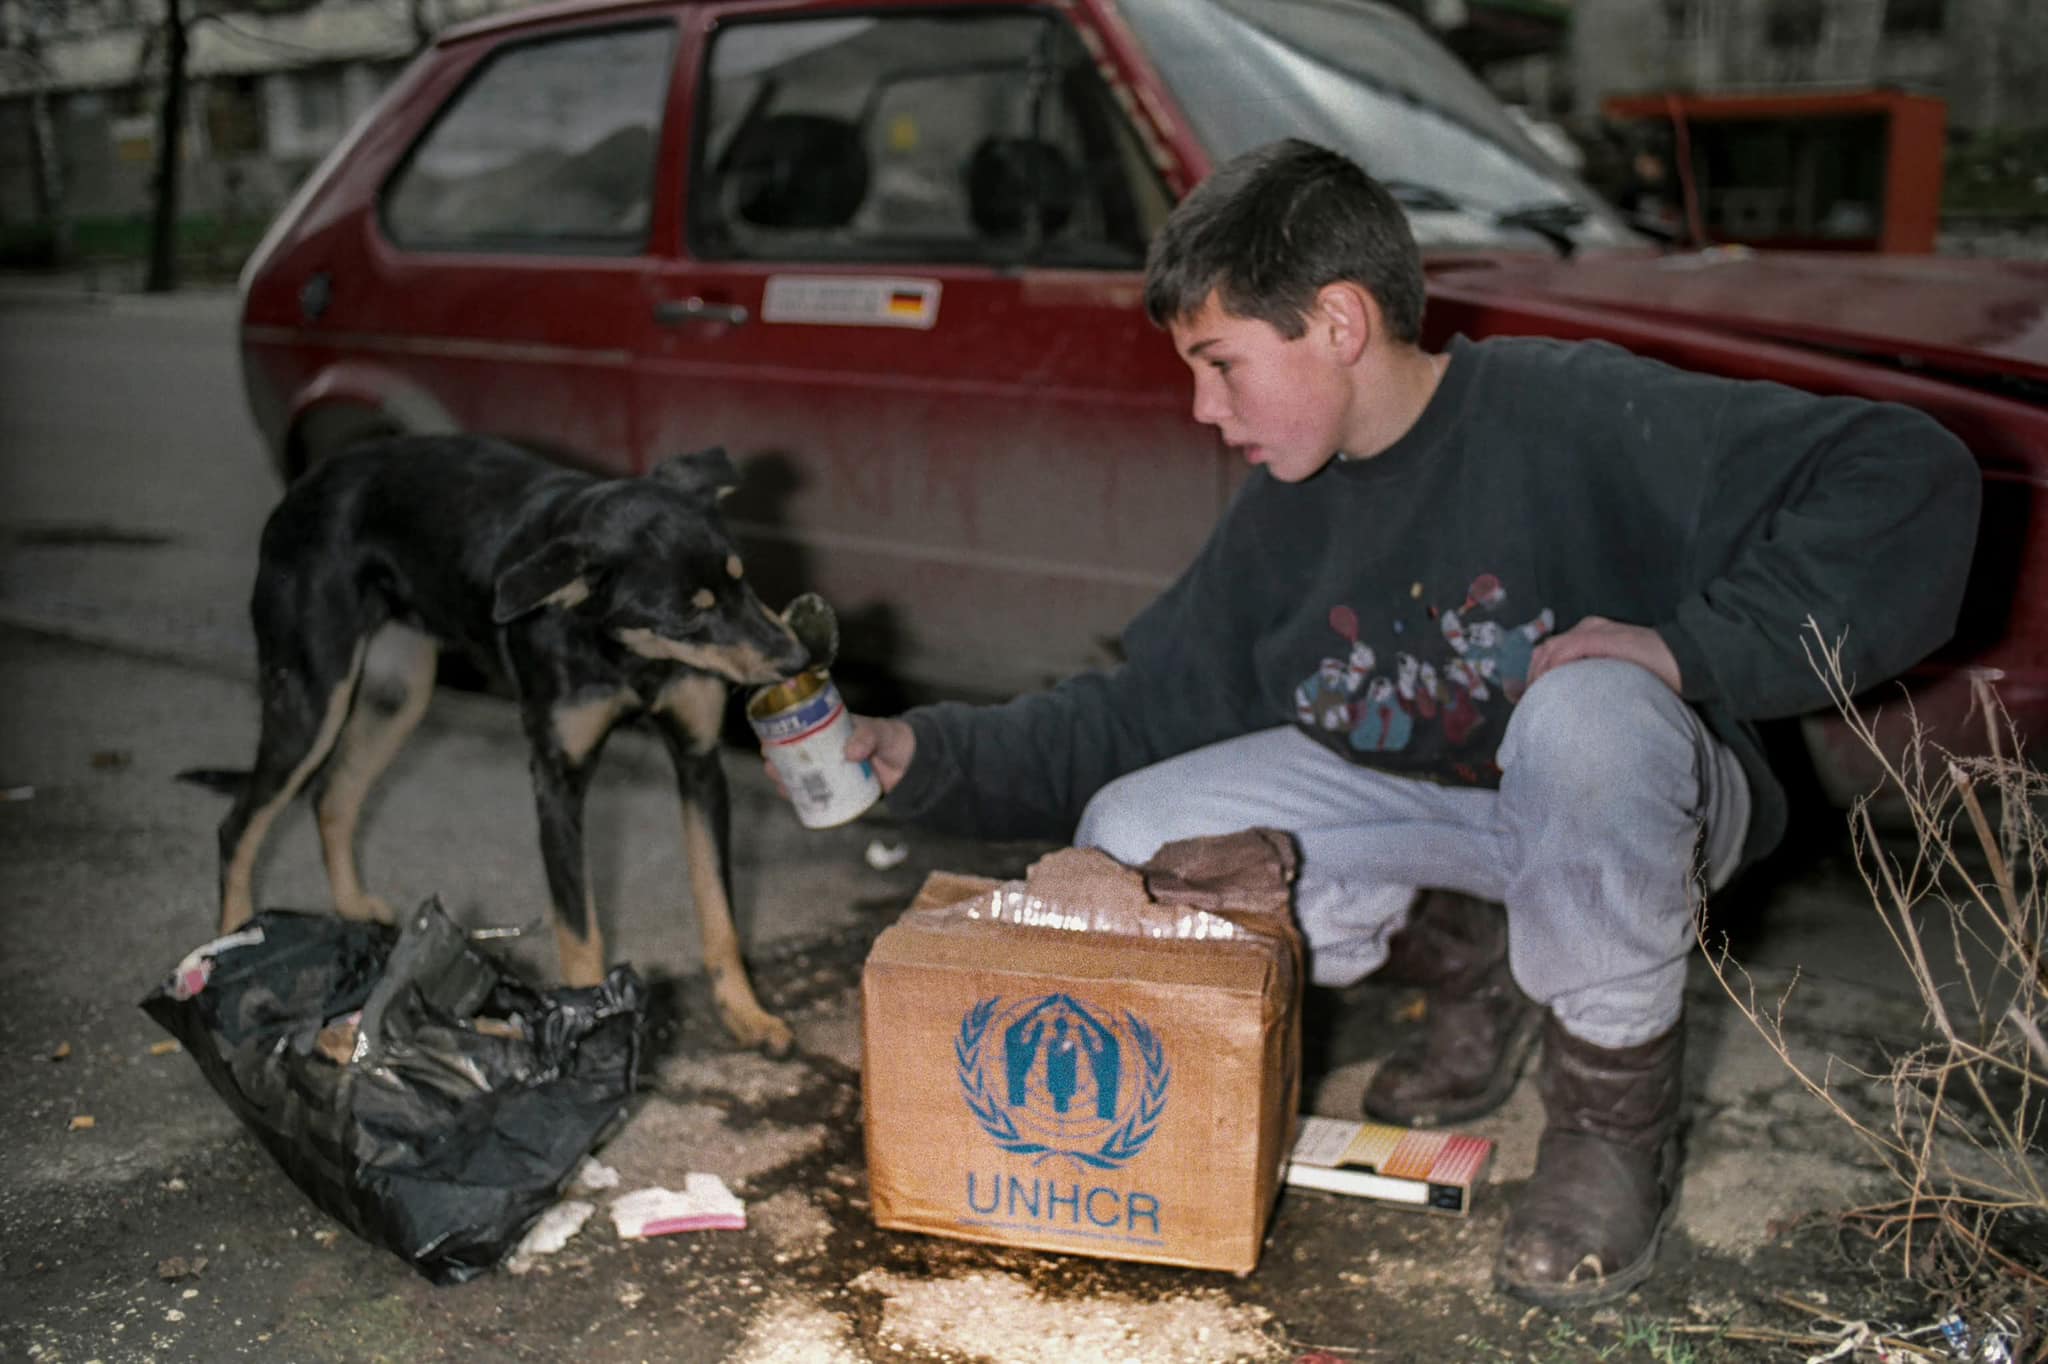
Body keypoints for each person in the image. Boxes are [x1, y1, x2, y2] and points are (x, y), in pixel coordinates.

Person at [810, 139, 1979, 1307]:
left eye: (1219, 364)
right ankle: (1470, 962)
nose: (1202, 410)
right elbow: (1136, 710)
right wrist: (921, 752)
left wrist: (1688, 649)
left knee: (1584, 710)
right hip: (1449, 827)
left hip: (1638, 811)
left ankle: (1608, 1130)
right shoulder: (1285, 510)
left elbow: (1906, 471)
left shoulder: (1563, 408)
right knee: (1140, 823)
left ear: (1336, 320)